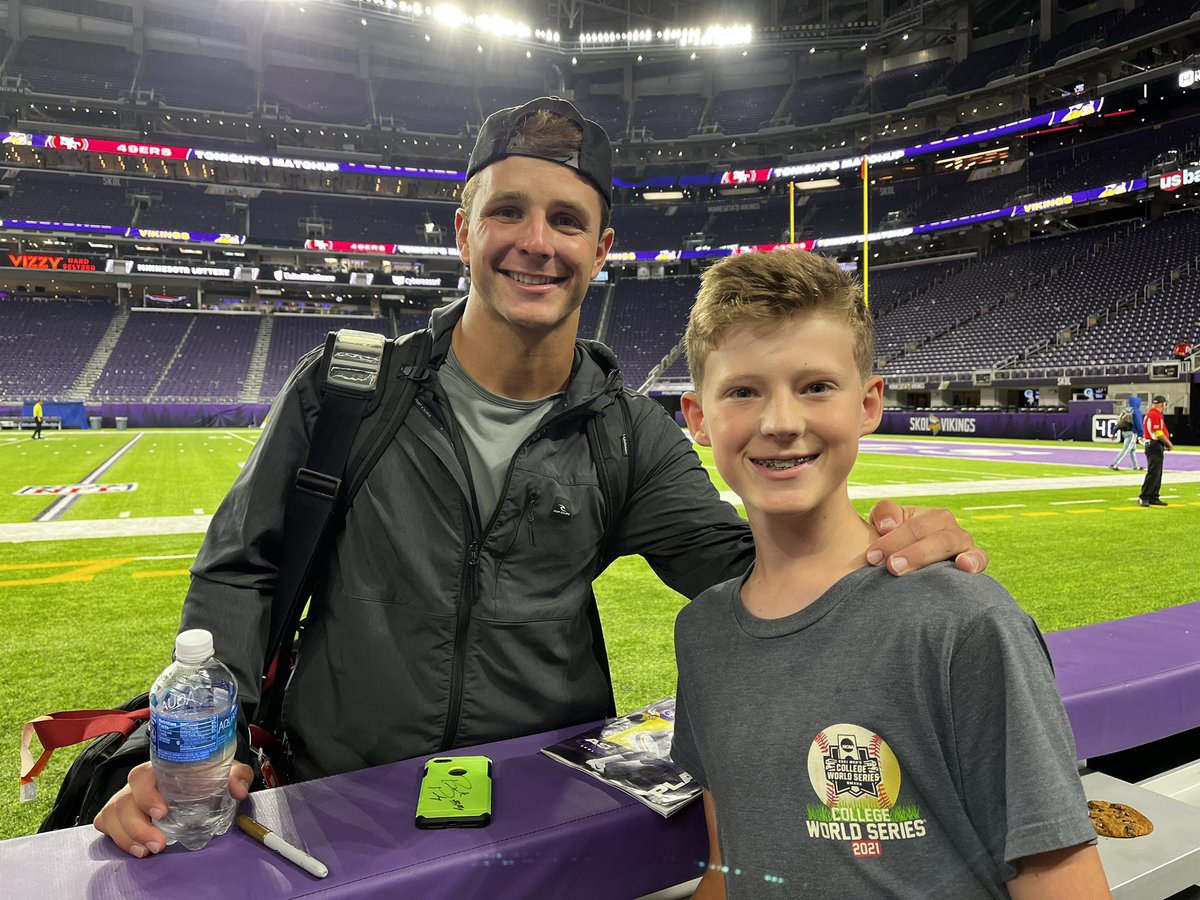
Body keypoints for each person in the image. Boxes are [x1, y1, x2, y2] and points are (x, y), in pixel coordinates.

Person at [95, 96, 987, 859]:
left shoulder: (626, 428)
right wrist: (209, 747)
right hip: (341, 791)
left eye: (565, 221)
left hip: (538, 808)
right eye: (508, 212)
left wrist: (889, 560)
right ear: (463, 231)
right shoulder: (347, 387)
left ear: (600, 248)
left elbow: (743, 570)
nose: (536, 242)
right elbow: (241, 568)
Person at [671, 249, 1108, 898]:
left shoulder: (963, 621)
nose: (782, 422)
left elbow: (1060, 877)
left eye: (816, 386)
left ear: (868, 403)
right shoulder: (703, 632)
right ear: (698, 420)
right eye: (742, 391)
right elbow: (725, 866)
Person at [1138, 394, 1173, 507]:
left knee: (1157, 472)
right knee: (1153, 472)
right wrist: (1168, 443)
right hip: (1154, 445)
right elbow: (1158, 433)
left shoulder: (1153, 414)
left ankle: (1154, 496)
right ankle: (1145, 496)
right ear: (1162, 404)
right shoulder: (1154, 415)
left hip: (1155, 445)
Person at [1108, 395, 1142, 471]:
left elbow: (1118, 422)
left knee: (1132, 450)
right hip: (1132, 433)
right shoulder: (1136, 411)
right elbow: (1139, 423)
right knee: (1126, 450)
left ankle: (1136, 466)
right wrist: (1141, 434)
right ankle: (1114, 464)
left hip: (1124, 432)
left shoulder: (1125, 410)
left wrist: (1114, 433)